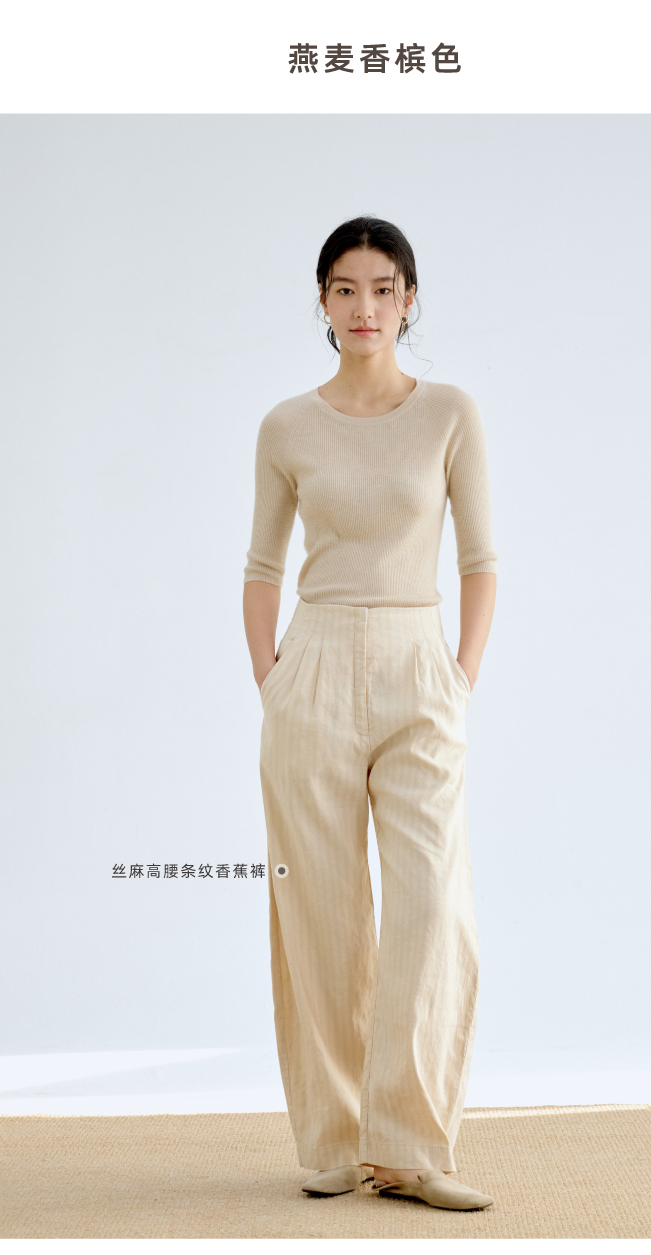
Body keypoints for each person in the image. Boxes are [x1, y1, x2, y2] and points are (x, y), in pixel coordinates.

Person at [242, 217, 497, 1211]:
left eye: (383, 288)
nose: (365, 307)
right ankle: (340, 1140)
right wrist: (272, 678)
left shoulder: (449, 414)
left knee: (433, 904)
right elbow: (261, 567)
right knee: (321, 907)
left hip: (416, 661)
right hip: (311, 661)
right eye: (345, 289)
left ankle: (412, 1146)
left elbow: (480, 561)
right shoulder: (286, 427)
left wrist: (459, 677)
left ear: (409, 299)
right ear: (322, 300)